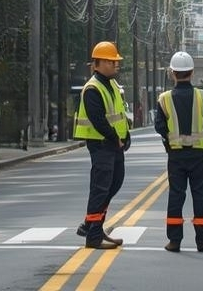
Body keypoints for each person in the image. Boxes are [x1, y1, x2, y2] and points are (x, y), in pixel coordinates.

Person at [154, 51, 203, 253]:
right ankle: (202, 241)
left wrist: (169, 141)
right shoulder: (202, 96)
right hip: (200, 155)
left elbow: (159, 126)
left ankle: (174, 240)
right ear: (191, 72)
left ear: (172, 73)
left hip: (176, 156)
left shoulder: (164, 99)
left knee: (176, 195)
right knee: (200, 196)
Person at [73, 41, 130, 249]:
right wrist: (115, 137)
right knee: (101, 188)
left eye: (116, 61)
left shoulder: (112, 85)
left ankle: (92, 224)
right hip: (101, 145)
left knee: (114, 183)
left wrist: (126, 135)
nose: (116, 65)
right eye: (112, 61)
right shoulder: (92, 88)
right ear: (98, 63)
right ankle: (93, 235)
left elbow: (119, 115)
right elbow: (98, 120)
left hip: (114, 145)